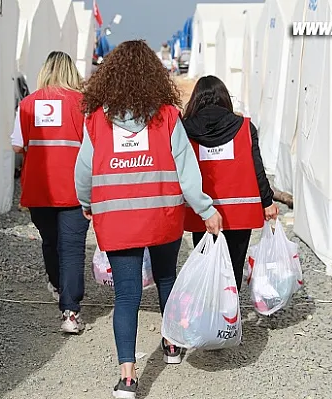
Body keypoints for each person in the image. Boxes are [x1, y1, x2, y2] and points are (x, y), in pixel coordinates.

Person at [74, 40, 222, 398]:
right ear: (154, 76)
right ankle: (171, 344)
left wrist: (85, 202)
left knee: (126, 297)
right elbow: (187, 170)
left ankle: (127, 377)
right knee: (167, 277)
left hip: (117, 219)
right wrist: (206, 209)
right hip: (162, 216)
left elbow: (83, 169)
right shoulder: (168, 116)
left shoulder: (96, 119)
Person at [11, 51, 89, 334]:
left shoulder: (28, 104)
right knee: (72, 248)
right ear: (71, 73)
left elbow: (17, 146)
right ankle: (70, 312)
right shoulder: (84, 105)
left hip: (39, 188)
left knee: (50, 242)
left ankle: (57, 285)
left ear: (44, 71)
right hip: (74, 188)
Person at [182, 75, 279, 289]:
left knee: (207, 262)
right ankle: (229, 316)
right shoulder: (244, 127)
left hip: (203, 210)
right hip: (240, 210)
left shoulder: (186, 129)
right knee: (234, 267)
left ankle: (209, 309)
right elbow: (257, 169)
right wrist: (267, 201)